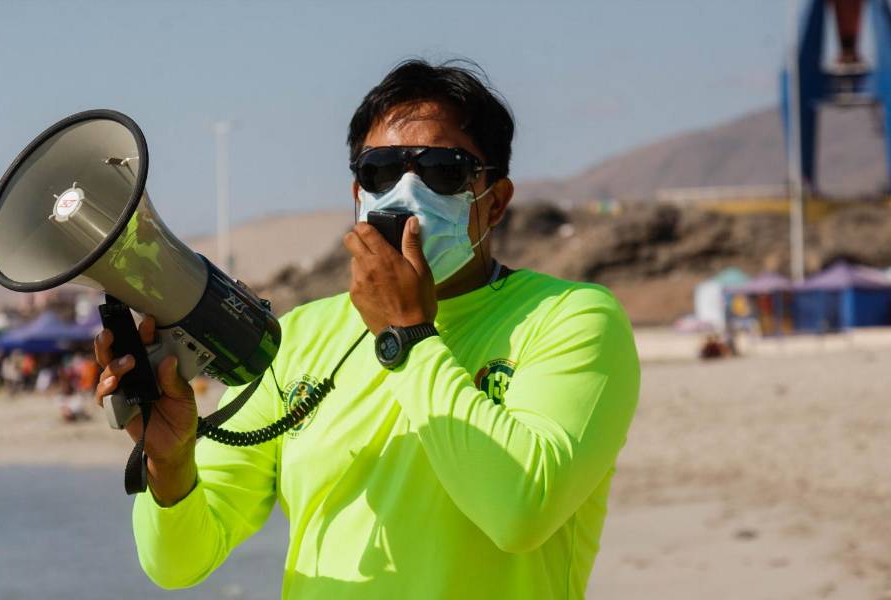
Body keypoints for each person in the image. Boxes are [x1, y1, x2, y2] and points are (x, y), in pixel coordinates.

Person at [95, 60, 640, 599]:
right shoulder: (298, 337)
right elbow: (178, 564)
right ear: (359, 194)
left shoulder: (571, 318)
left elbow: (521, 511)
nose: (406, 192)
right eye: (380, 170)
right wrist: (169, 466)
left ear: (494, 202)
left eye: (442, 170)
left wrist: (406, 333)